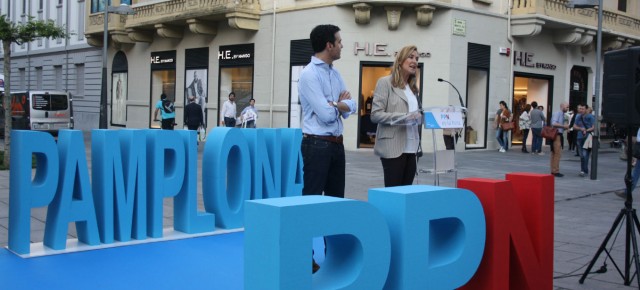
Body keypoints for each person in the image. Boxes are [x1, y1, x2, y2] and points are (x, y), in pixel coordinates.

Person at [298, 24, 356, 274]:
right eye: (339, 41)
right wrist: (339, 105)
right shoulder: (309, 74)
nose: (342, 45)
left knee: (335, 203)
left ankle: (334, 257)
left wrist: (339, 104)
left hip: (336, 146)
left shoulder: (335, 72)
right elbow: (324, 114)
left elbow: (352, 106)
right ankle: (302, 256)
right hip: (316, 144)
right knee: (310, 202)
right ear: (328, 45)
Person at [370, 45, 422, 187]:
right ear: (400, 61)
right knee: (393, 192)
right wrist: (404, 117)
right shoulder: (385, 82)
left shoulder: (413, 88)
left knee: (406, 192)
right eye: (410, 57)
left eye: (417, 58)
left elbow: (416, 115)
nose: (415, 61)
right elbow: (375, 115)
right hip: (393, 147)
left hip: (413, 148)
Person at [573, 103, 595, 177]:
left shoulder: (590, 116)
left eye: (583, 109)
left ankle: (584, 170)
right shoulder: (578, 116)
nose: (581, 110)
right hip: (579, 137)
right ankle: (584, 170)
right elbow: (574, 126)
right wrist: (580, 128)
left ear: (586, 109)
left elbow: (594, 127)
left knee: (585, 154)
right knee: (582, 155)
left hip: (588, 138)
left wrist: (586, 130)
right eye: (580, 108)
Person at [550, 102, 569, 177]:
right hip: (556, 135)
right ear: (562, 106)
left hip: (558, 134)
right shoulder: (558, 113)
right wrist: (564, 126)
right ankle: (555, 171)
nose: (567, 108)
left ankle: (554, 170)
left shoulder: (563, 115)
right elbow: (554, 123)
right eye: (566, 107)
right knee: (557, 153)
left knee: (555, 153)